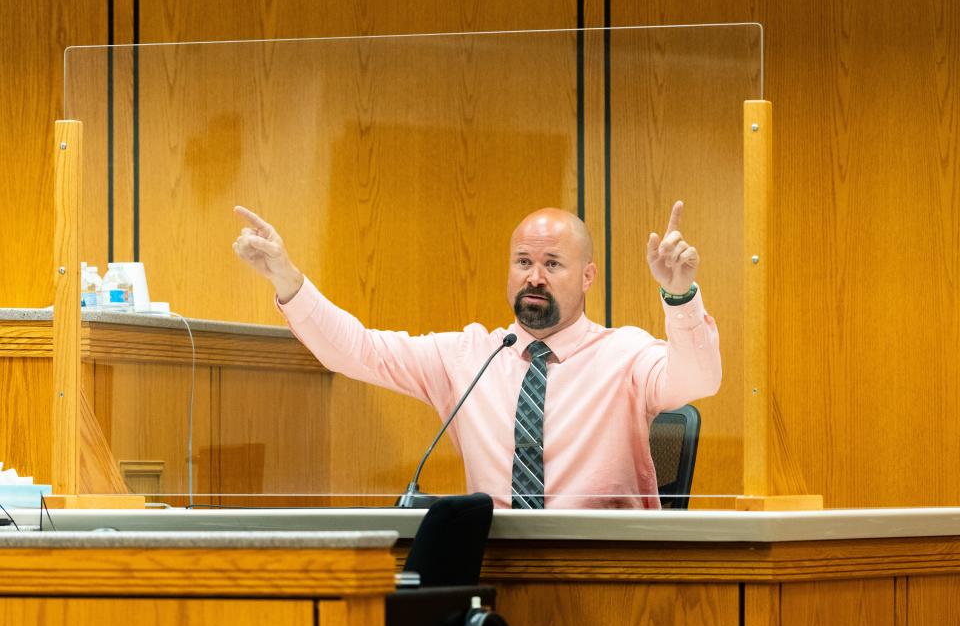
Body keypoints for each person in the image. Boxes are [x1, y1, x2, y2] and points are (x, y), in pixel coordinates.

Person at [233, 202, 721, 509]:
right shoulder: (470, 357)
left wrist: (681, 297)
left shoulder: (624, 354)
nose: (535, 277)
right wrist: (287, 279)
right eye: (524, 262)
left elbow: (696, 380)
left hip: (605, 566)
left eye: (553, 264)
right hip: (495, 568)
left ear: (588, 276)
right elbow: (357, 351)